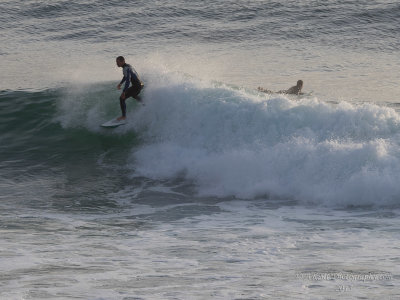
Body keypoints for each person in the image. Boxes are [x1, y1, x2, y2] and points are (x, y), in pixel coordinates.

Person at [116, 56, 144, 121]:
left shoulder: (126, 68)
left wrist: (124, 92)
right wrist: (120, 83)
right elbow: (126, 76)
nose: (117, 64)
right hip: (141, 84)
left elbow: (128, 81)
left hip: (137, 86)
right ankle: (144, 104)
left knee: (121, 98)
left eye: (118, 62)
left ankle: (124, 116)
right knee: (134, 95)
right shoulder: (128, 66)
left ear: (123, 61)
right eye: (116, 62)